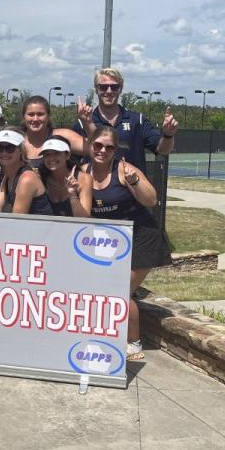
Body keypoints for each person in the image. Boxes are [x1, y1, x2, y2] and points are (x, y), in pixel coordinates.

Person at [77, 125, 171, 361]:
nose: (102, 151)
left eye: (109, 147)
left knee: (118, 290)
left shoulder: (124, 170)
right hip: (110, 245)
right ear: (90, 145)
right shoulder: (81, 172)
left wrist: (135, 180)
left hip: (141, 239)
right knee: (98, 289)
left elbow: (152, 199)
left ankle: (133, 342)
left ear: (115, 150)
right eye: (98, 145)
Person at [75, 67, 177, 174]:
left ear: (120, 89)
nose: (109, 91)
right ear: (96, 89)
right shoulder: (83, 123)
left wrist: (168, 135)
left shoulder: (137, 121)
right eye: (103, 87)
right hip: (95, 188)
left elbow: (163, 150)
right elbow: (69, 159)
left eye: (114, 87)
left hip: (131, 187)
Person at [0, 128, 52, 215]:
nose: (4, 153)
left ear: (21, 150)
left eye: (10, 148)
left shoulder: (26, 179)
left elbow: (16, 221)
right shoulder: (7, 177)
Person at [20, 95, 85, 167]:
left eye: (40, 114)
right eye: (31, 114)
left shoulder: (62, 136)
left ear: (48, 117)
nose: (35, 119)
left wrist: (88, 122)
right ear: (23, 117)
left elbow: (94, 148)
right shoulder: (15, 142)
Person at [39, 136, 89, 217]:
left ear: (67, 155)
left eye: (56, 153)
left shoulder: (83, 179)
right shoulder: (40, 178)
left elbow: (84, 220)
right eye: (47, 154)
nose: (51, 158)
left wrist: (72, 194)